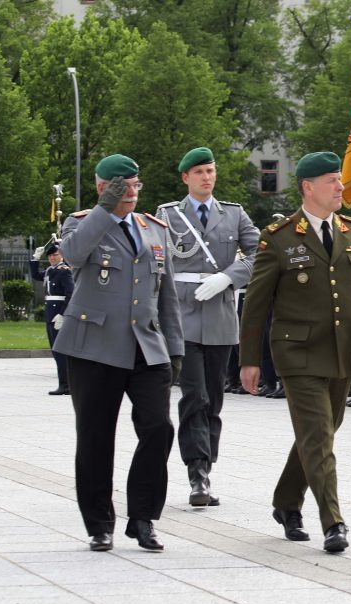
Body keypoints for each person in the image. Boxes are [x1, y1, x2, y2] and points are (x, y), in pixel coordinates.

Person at [239, 151, 351, 553]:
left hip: (343, 350)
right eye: (332, 181)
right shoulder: (280, 236)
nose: (342, 187)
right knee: (319, 437)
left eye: (340, 180)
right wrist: (249, 360)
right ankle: (333, 522)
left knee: (318, 435)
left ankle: (286, 502)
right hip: (298, 353)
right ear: (308, 187)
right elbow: (256, 304)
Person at [54, 154, 184, 552]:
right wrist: (104, 209)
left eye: (134, 185)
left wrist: (174, 348)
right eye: (120, 186)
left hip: (146, 346)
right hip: (93, 347)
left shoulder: (154, 228)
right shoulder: (82, 224)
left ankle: (143, 517)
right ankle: (99, 523)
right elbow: (73, 255)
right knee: (95, 436)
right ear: (102, 188)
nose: (130, 192)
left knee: (159, 429)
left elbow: (167, 294)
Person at [155, 147, 259, 507]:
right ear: (185, 178)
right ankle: (197, 473)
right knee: (194, 396)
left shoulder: (234, 214)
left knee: (213, 399)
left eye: (210, 170)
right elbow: (158, 263)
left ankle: (206, 466)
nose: (206, 177)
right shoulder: (168, 214)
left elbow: (260, 253)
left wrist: (229, 278)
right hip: (182, 316)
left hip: (219, 314)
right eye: (199, 172)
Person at [30, 242, 74, 394]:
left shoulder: (64, 271)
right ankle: (65, 383)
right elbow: (36, 275)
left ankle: (66, 385)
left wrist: (62, 314)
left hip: (58, 313)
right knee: (55, 350)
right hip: (50, 312)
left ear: (61, 255)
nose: (52, 258)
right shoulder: (50, 270)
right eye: (50, 256)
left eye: (55, 255)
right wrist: (35, 259)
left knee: (60, 351)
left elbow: (70, 294)